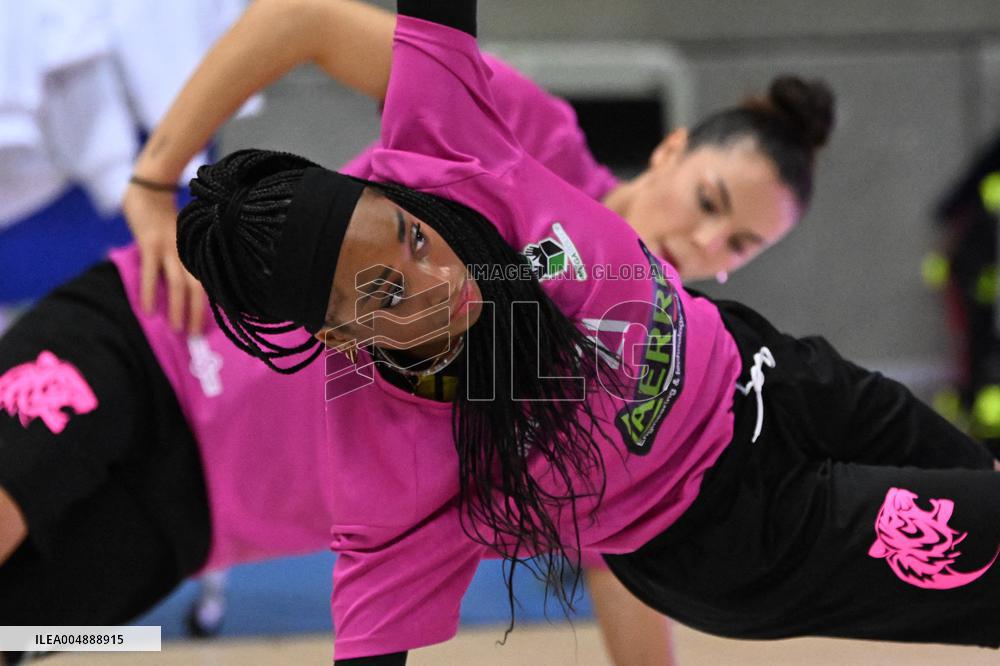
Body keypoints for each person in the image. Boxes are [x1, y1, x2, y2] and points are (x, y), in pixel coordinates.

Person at [171, 1, 1000, 665]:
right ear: (344, 338)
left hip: (772, 372)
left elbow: (324, 17)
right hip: (736, 523)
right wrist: (148, 185)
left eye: (417, 238)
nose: (442, 279)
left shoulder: (444, 150)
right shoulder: (390, 471)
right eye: (389, 293)